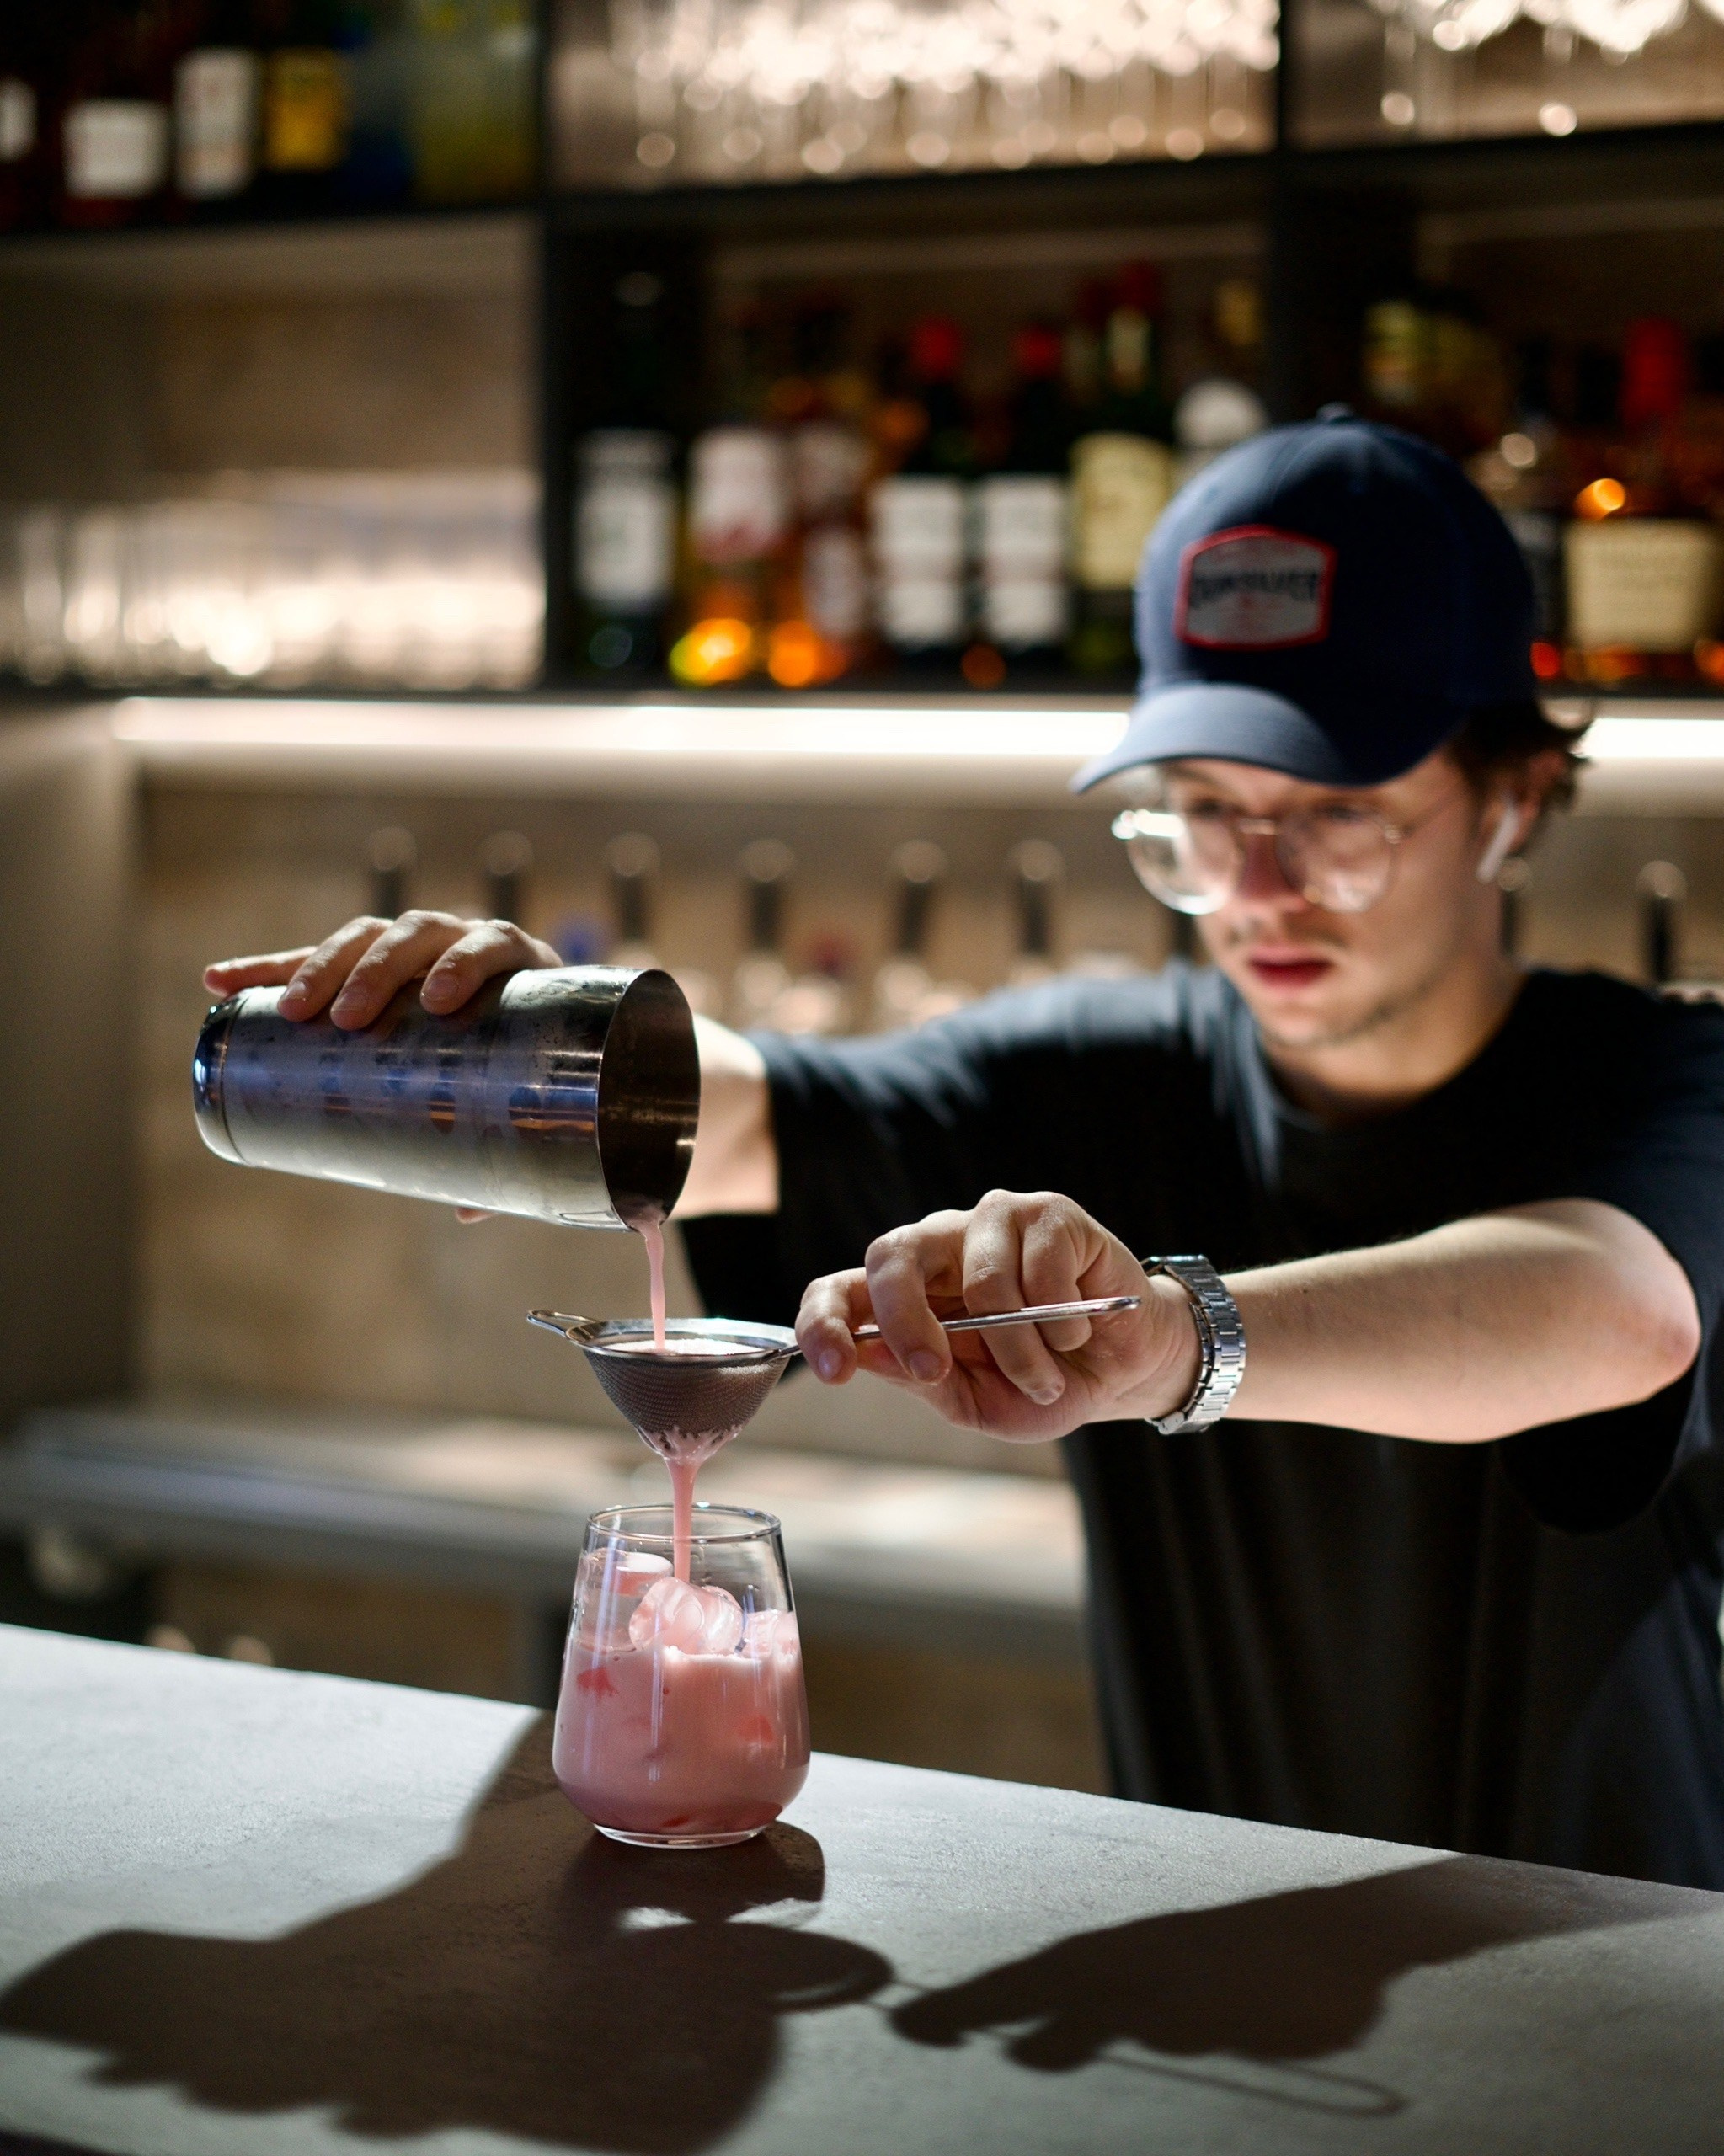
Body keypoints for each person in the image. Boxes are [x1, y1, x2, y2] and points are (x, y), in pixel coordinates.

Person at [205, 414, 1724, 1890]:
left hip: (1613, 2015)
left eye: (1339, 819)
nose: (1260, 890)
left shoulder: (1672, 1075)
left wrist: (1174, 1341)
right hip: (1225, 2003)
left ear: (1515, 800)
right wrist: (549, 1048)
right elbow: (747, 1115)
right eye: (1204, 815)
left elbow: (1613, 1309)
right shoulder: (1099, 1076)